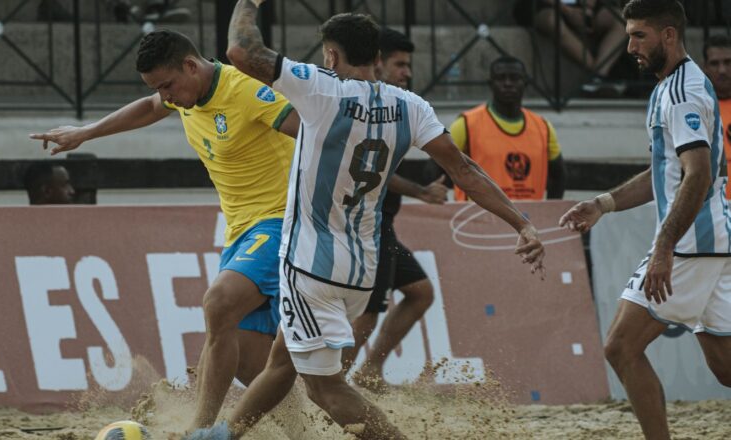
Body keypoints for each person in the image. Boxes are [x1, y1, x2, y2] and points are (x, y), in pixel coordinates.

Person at [185, 3, 545, 439]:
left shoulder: (320, 89)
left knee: (324, 388)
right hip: (362, 268)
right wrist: (520, 222)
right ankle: (219, 435)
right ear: (377, 57)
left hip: (309, 264)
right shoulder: (411, 106)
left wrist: (248, 3)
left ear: (331, 57)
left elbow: (241, 51)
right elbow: (465, 169)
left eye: (325, 55)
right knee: (283, 362)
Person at [29, 30, 301, 433]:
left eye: (167, 85)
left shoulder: (246, 93)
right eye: (158, 88)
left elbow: (317, 136)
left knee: (219, 303)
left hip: (283, 220)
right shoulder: (185, 94)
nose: (165, 97)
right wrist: (85, 132)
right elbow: (148, 107)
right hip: (240, 228)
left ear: (191, 66)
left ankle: (200, 429)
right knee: (246, 354)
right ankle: (310, 425)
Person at [560, 1, 731, 438]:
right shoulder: (675, 84)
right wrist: (604, 203)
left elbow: (699, 174)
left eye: (639, 35)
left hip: (692, 245)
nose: (630, 45)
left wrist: (663, 248)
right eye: (629, 34)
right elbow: (666, 173)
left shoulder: (680, 93)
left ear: (669, 35)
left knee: (620, 347)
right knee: (726, 369)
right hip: (711, 241)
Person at [340, 27, 449, 392]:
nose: (407, 72)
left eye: (408, 65)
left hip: (382, 222)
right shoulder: (362, 102)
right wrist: (423, 192)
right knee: (367, 313)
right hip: (368, 224)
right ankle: (330, 385)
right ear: (378, 63)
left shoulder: (394, 103)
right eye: (400, 64)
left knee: (420, 291)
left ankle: (369, 372)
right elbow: (374, 170)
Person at [449, 56, 565, 201]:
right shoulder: (466, 124)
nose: (508, 83)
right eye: (501, 78)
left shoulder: (543, 127)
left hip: (527, 220)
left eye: (515, 78)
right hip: (477, 219)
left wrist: (550, 213)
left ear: (526, 83)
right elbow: (435, 170)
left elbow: (558, 176)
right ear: (490, 84)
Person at [514, 0, 627, 95]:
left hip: (580, 5)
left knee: (621, 20)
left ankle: (599, 75)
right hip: (543, 5)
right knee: (552, 21)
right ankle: (598, 74)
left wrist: (587, 8)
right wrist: (568, 12)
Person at [702, 33, 731, 199]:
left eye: (728, 62)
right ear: (704, 67)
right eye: (715, 63)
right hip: (713, 213)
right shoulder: (697, 109)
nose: (722, 70)